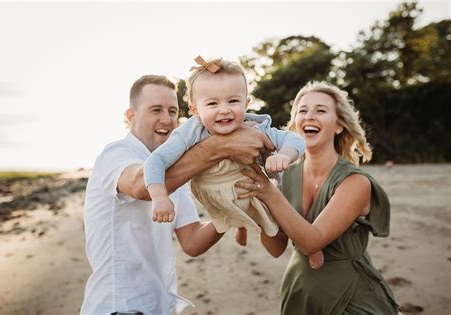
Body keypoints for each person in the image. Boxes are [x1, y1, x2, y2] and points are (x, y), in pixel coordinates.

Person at [80, 74, 274, 315]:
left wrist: (230, 213)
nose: (167, 119)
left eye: (173, 111)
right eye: (155, 110)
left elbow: (192, 241)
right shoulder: (115, 154)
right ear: (131, 116)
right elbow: (140, 187)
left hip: (160, 306)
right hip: (118, 307)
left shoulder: (174, 171)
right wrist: (221, 146)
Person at [236, 81, 399, 314]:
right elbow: (275, 247)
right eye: (302, 111)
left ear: (339, 125)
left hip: (352, 297)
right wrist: (260, 208)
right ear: (295, 123)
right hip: (300, 293)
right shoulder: (285, 177)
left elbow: (312, 241)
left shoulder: (355, 182)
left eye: (320, 110)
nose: (309, 116)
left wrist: (269, 193)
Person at [144, 56, 305, 245]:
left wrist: (284, 155)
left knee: (281, 218)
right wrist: (160, 197)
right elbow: (156, 160)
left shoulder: (255, 127)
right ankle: (241, 224)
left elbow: (295, 139)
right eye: (212, 104)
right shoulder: (190, 132)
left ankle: (306, 243)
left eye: (233, 101)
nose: (224, 110)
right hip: (214, 197)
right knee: (231, 213)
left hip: (250, 190)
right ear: (195, 110)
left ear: (246, 104)